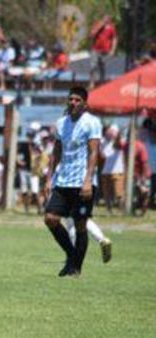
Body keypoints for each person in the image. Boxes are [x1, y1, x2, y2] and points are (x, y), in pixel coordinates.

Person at [44, 86, 101, 277]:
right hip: (63, 181)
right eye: (71, 99)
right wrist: (49, 178)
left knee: (80, 224)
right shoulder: (61, 123)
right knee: (50, 218)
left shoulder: (92, 122)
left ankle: (75, 268)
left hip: (81, 182)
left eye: (77, 100)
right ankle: (71, 256)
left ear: (85, 103)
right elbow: (56, 151)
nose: (73, 103)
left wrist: (88, 181)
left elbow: (94, 153)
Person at [100, 124, 125, 213]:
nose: (111, 133)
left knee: (119, 193)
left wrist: (118, 135)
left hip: (118, 170)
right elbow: (102, 155)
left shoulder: (120, 140)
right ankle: (109, 210)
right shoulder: (102, 141)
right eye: (109, 131)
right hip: (106, 171)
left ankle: (122, 210)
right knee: (107, 193)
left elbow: (117, 144)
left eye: (113, 131)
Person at [89, 15, 117, 88]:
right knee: (93, 66)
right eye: (104, 19)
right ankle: (92, 82)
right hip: (96, 49)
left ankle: (102, 83)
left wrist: (113, 49)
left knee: (102, 67)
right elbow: (91, 35)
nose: (105, 20)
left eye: (107, 19)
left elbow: (114, 39)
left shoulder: (111, 28)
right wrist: (99, 27)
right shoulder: (98, 25)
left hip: (105, 51)